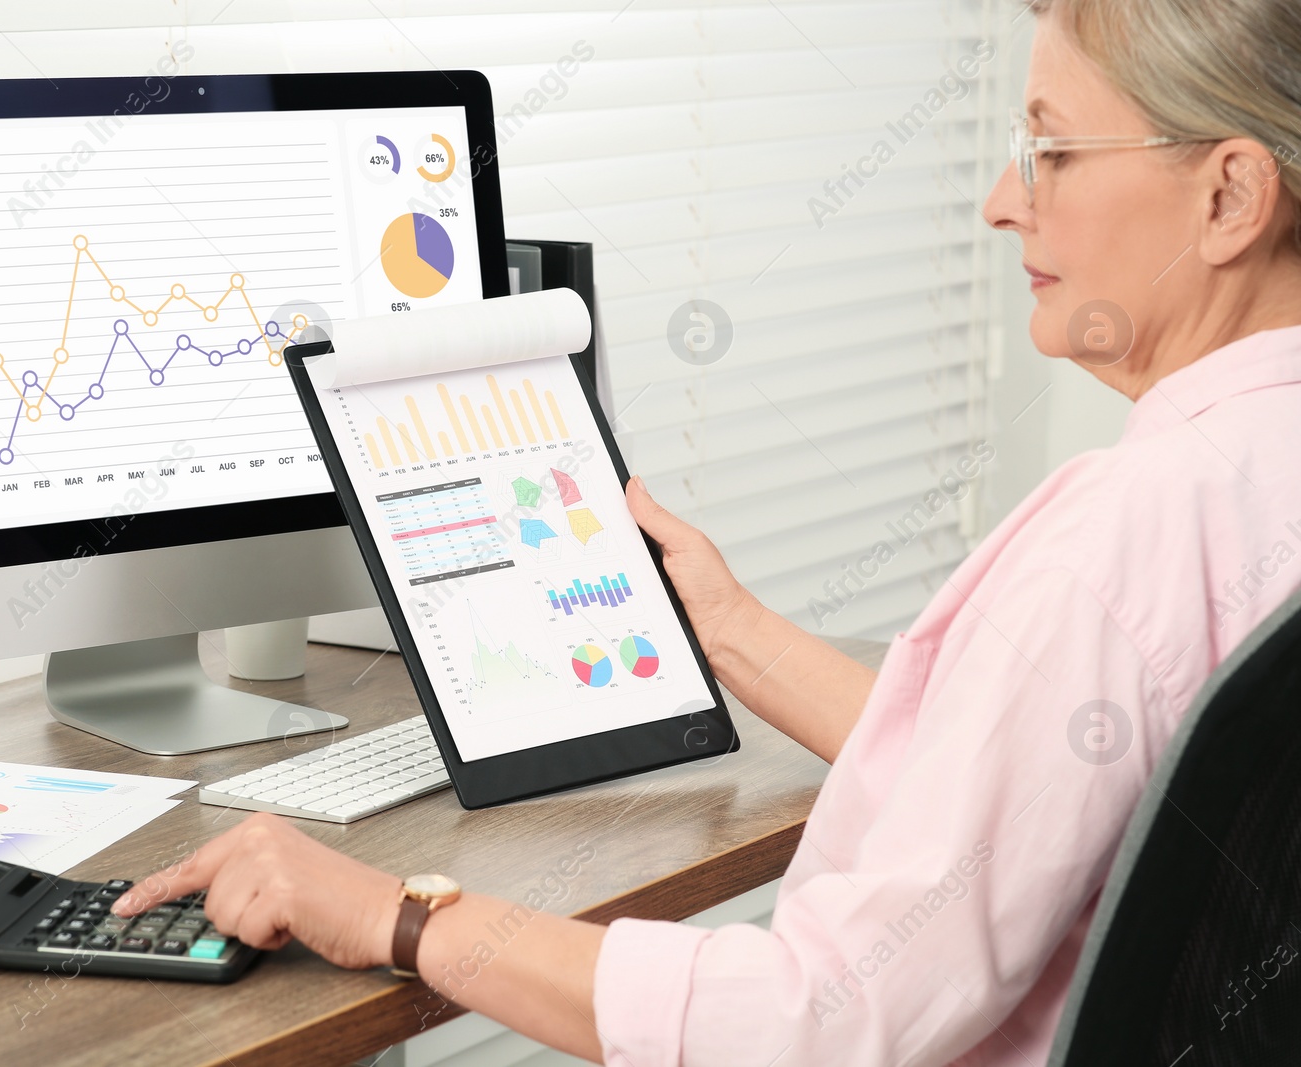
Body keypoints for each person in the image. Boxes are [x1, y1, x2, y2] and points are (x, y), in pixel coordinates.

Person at [112, 0, 1301, 1061]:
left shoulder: (1129, 532)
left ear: (1229, 195)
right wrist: (725, 630)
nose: (1002, 201)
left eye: (1048, 149)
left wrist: (401, 913)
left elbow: (822, 1017)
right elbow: (1049, 773)